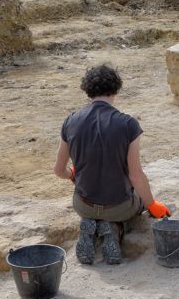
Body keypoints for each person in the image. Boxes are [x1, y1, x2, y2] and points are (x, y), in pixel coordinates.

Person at [54, 63, 168, 265]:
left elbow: (58, 170)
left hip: (83, 205)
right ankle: (114, 230)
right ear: (116, 89)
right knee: (139, 202)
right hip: (119, 207)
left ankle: (92, 227)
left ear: (87, 91)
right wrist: (151, 204)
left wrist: (73, 173)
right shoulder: (128, 124)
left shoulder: (70, 121)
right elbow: (136, 176)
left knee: (95, 207)